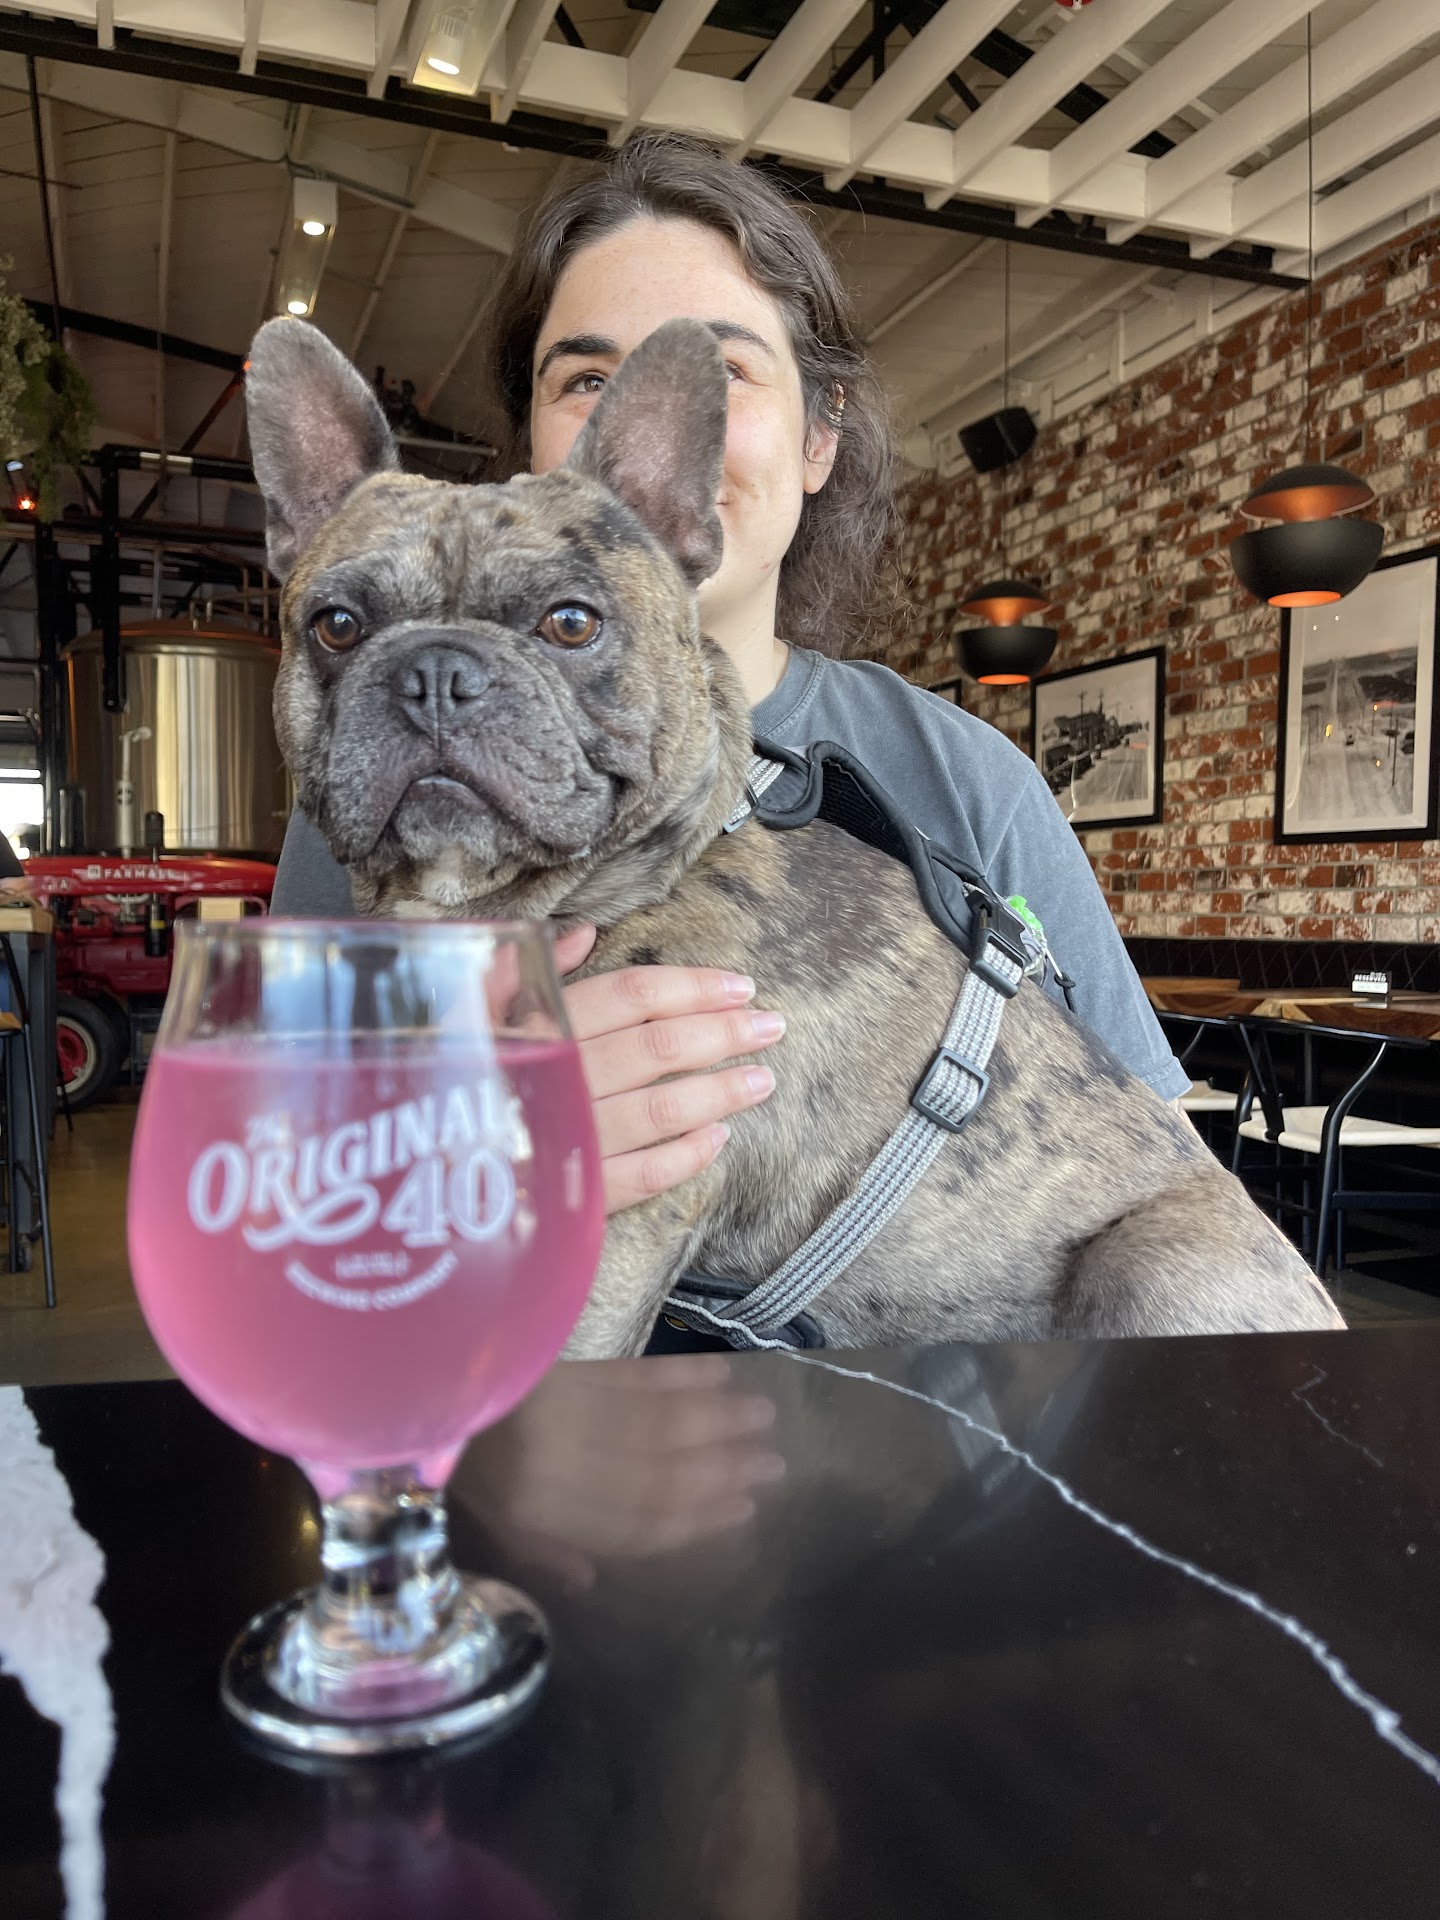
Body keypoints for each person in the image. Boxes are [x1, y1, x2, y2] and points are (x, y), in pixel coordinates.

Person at [271, 132, 1187, 1224]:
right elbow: (284, 1209)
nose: (653, 421)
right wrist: (448, 1149)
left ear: (819, 439)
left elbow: (1163, 1172)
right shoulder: (397, 781)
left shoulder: (963, 778)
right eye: (588, 379)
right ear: (534, 441)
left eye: (720, 372)